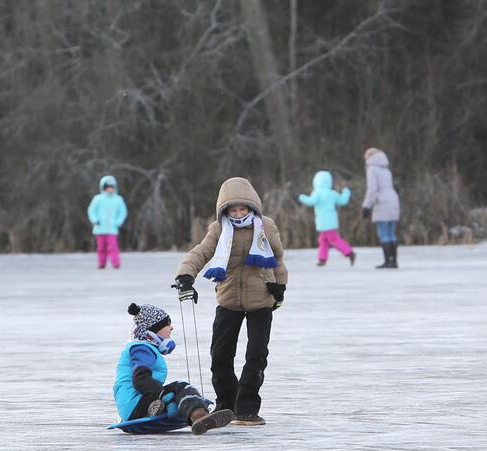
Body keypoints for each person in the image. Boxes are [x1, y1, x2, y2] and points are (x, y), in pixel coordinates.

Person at [174, 177, 287, 426]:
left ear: (252, 207)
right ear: (224, 210)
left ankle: (247, 408)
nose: (237, 214)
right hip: (228, 299)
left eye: (242, 209)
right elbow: (201, 252)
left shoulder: (266, 226)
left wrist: (280, 288)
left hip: (261, 299)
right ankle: (227, 404)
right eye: (232, 210)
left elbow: (278, 258)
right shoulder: (219, 229)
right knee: (220, 355)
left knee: (256, 356)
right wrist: (185, 276)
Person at [113, 303, 234, 435]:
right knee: (181, 387)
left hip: (132, 407)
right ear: (154, 329)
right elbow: (140, 379)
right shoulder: (142, 349)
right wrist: (165, 396)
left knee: (177, 395)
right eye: (167, 324)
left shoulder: (142, 347)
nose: (171, 327)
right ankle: (199, 416)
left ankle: (160, 407)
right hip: (135, 405)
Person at [298, 170, 356, 266]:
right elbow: (343, 200)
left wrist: (300, 197)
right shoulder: (332, 193)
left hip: (324, 222)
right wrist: (346, 191)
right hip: (331, 221)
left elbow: (310, 201)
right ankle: (322, 259)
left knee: (333, 239)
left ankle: (349, 253)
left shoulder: (317, 193)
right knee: (323, 240)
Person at [361, 148, 401, 268]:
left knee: (384, 233)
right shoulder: (386, 170)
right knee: (392, 233)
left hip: (382, 202)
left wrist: (366, 206)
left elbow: (372, 189)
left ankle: (387, 261)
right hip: (393, 200)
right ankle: (394, 261)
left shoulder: (372, 170)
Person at [87, 175, 128, 269]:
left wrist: (118, 222)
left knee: (113, 247)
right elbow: (91, 210)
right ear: (103, 188)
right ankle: (101, 263)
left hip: (112, 228)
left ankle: (116, 263)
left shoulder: (118, 199)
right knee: (101, 247)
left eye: (111, 187)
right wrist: (95, 220)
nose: (109, 189)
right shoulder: (98, 199)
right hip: (100, 228)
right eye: (107, 187)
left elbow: (122, 212)